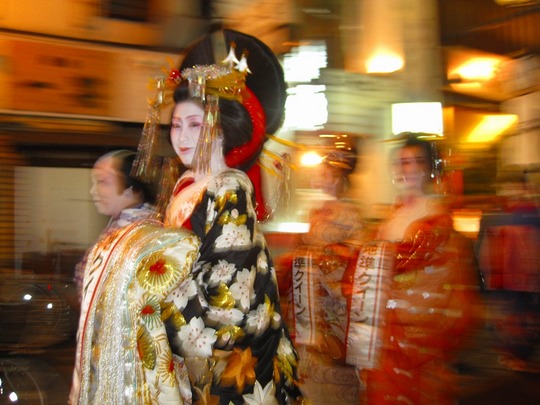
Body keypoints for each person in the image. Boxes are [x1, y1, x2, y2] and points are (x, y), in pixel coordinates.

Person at [70, 29, 304, 405]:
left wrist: (148, 300)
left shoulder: (230, 187)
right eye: (177, 125)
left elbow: (230, 291)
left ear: (221, 129)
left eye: (195, 125)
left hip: (223, 362)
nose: (181, 137)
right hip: (186, 348)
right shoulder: (185, 185)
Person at [360, 134, 480, 404]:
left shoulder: (437, 217)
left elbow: (444, 273)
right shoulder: (390, 216)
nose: (408, 169)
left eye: (416, 161)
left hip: (420, 332)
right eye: (402, 162)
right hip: (386, 333)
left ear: (428, 168)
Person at [287, 134, 365, 403]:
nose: (322, 179)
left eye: (328, 174)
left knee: (334, 366)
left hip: (335, 305)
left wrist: (318, 260)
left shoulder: (351, 214)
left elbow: (356, 257)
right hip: (311, 300)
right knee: (310, 365)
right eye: (321, 173)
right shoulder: (316, 212)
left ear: (339, 178)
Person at [73, 149, 157, 302]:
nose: (93, 191)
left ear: (130, 188)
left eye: (102, 182)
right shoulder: (126, 225)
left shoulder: (139, 231)